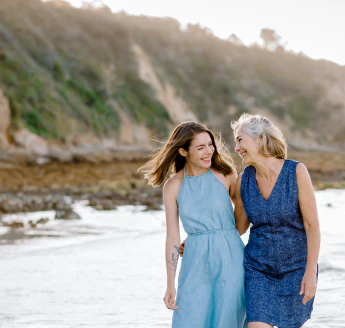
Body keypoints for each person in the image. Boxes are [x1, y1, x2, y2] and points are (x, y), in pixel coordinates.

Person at [139, 121, 247, 328]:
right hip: (194, 262)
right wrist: (170, 284)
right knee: (189, 318)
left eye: (210, 145)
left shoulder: (226, 174)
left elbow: (242, 220)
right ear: (182, 151)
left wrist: (215, 237)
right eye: (200, 148)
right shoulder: (173, 186)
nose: (209, 152)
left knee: (228, 319)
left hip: (231, 258)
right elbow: (172, 236)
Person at [232, 113, 320, 328]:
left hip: (296, 269)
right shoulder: (243, 180)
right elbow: (238, 228)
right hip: (258, 270)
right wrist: (203, 237)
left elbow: (312, 226)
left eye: (240, 140)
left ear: (259, 139)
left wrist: (310, 274)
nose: (236, 148)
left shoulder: (296, 172)